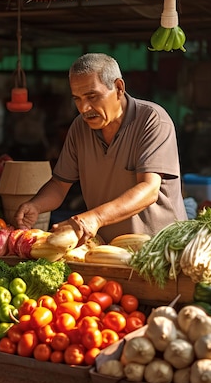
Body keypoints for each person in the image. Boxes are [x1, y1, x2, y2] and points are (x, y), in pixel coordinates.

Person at [14, 53, 188, 245]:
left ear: (119, 88)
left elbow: (149, 189)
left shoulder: (153, 120)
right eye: (77, 99)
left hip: (159, 249)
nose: (84, 108)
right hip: (106, 250)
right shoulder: (79, 128)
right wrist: (35, 206)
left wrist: (94, 218)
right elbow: (59, 185)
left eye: (92, 96)